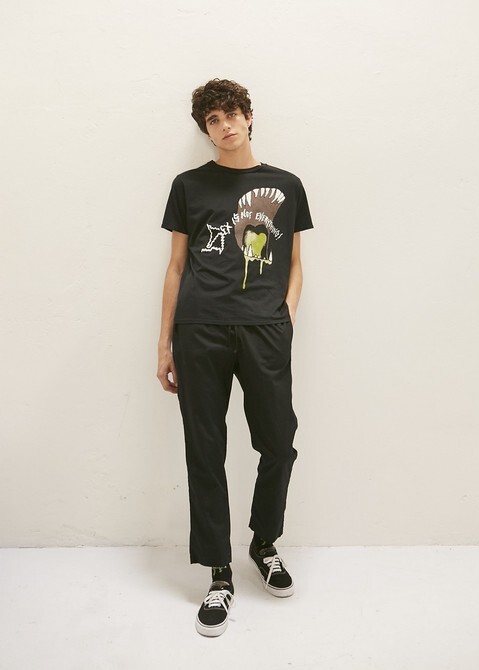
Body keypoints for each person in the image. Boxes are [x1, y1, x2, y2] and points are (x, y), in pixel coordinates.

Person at [157, 78, 313, 637]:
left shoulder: (286, 185)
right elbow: (176, 267)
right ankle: (218, 572)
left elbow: (295, 263)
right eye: (213, 120)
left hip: (265, 329)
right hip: (199, 329)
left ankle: (263, 542)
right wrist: (164, 343)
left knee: (278, 440)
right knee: (205, 449)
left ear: (249, 116)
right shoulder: (188, 186)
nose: (225, 125)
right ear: (206, 130)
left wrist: (284, 316)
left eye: (232, 114)